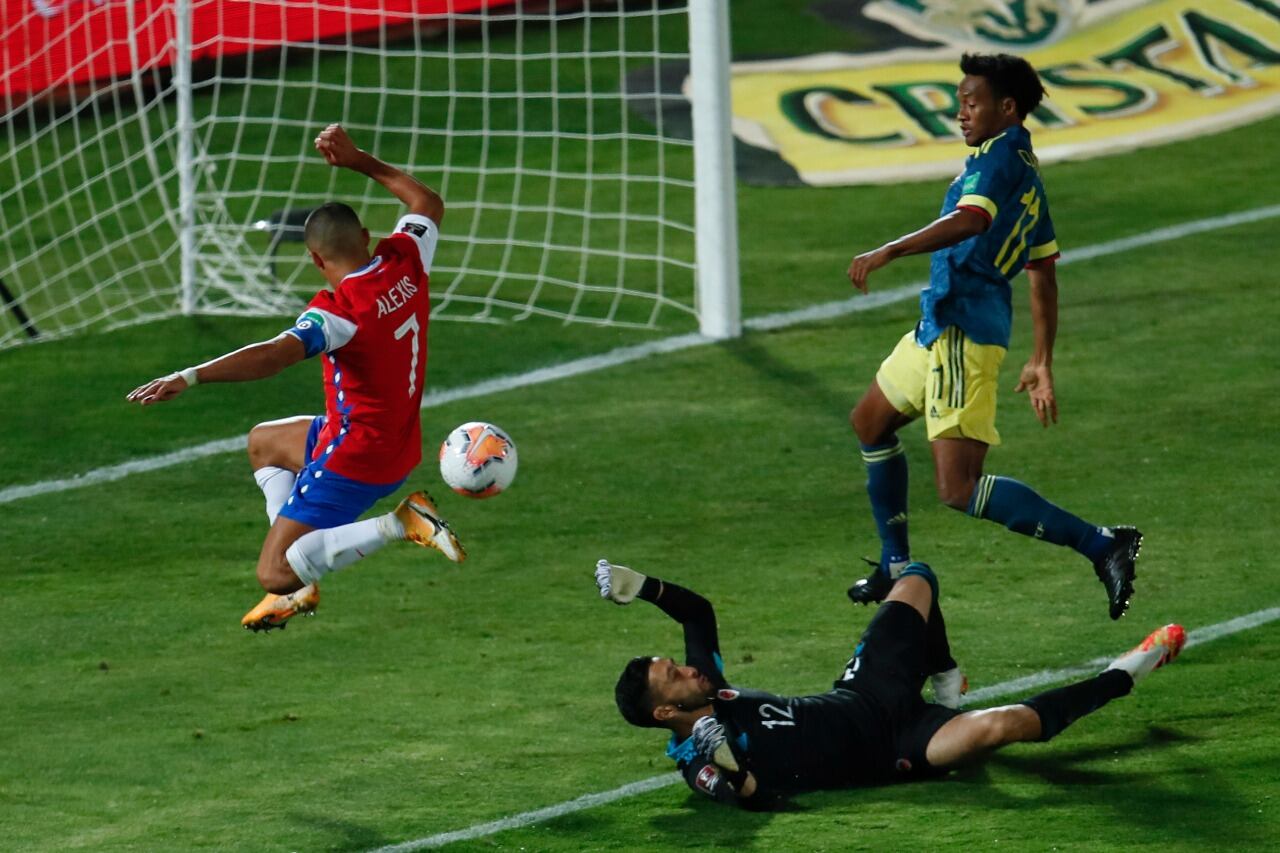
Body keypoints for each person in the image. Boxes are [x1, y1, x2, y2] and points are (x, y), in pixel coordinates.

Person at [126, 124, 464, 631]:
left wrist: (191, 376)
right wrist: (358, 160)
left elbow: (272, 356)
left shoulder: (340, 313)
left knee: (273, 572)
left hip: (356, 458)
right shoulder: (405, 260)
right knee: (263, 443)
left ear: (314, 258)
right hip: (395, 441)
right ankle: (302, 576)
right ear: (366, 238)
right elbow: (426, 201)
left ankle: (400, 523)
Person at [844, 52, 1141, 619]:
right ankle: (895, 565)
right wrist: (1041, 359)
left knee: (959, 488)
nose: (960, 112)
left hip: (964, 332)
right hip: (939, 323)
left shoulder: (999, 161)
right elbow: (1043, 271)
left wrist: (890, 249)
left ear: (1006, 107)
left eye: (971, 102)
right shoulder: (1022, 169)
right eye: (959, 101)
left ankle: (1103, 543)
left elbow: (972, 220)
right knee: (870, 422)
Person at [597, 559, 1183, 809]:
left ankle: (945, 677)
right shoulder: (696, 763)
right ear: (663, 712)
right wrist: (727, 762)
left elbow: (697, 614)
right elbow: (753, 799)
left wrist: (644, 587)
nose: (687, 669)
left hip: (862, 693)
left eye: (676, 663)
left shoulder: (711, 688)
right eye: (673, 675)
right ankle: (1126, 671)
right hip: (893, 748)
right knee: (1006, 726)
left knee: (916, 579)